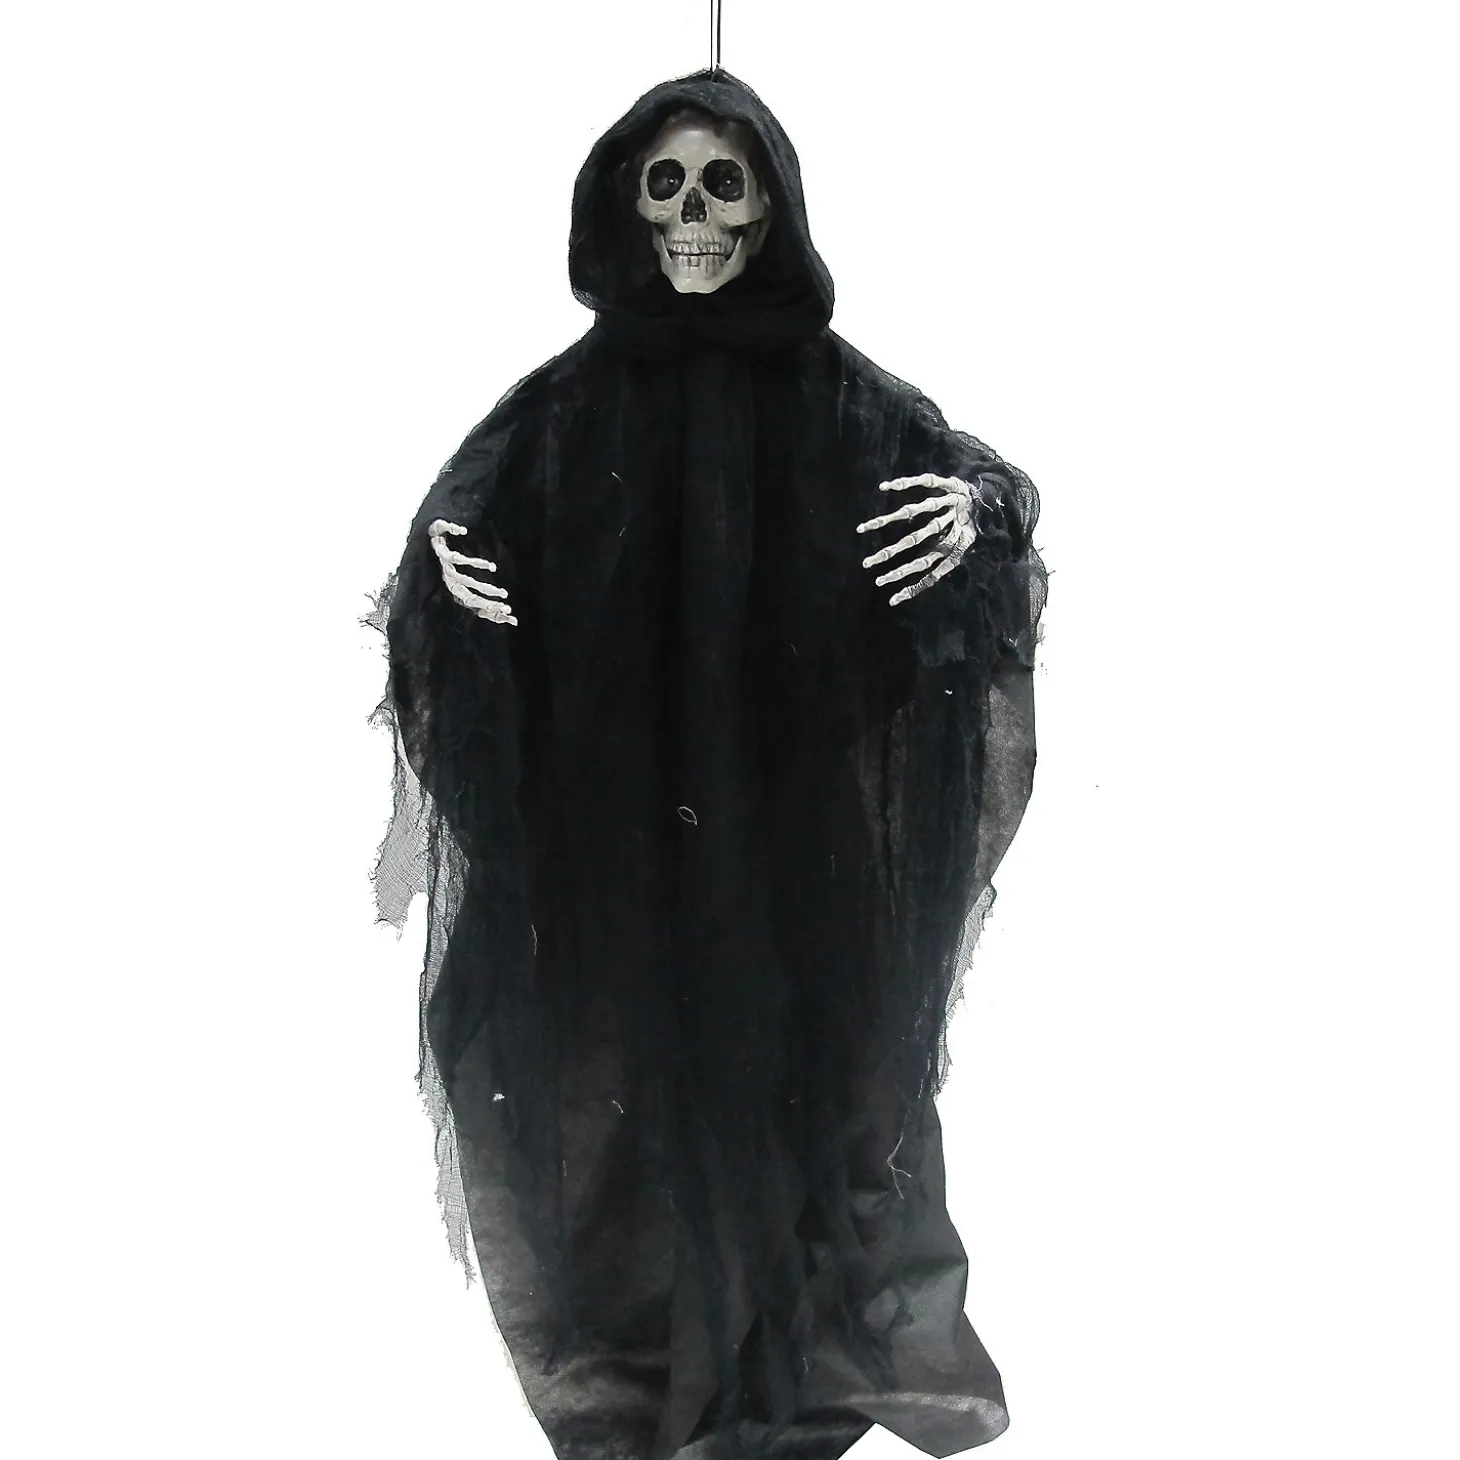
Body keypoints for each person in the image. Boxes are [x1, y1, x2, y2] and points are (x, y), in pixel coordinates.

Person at [374, 68, 1045, 1460]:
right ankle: (648, 1387)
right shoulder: (560, 413)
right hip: (619, 853)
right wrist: (444, 582)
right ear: (622, 207)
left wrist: (978, 517)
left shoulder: (844, 403)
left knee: (817, 1104)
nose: (693, 218)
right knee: (619, 1118)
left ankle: (789, 1379)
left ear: (772, 211)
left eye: (722, 187)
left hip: (790, 851)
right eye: (665, 186)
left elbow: (977, 505)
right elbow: (450, 543)